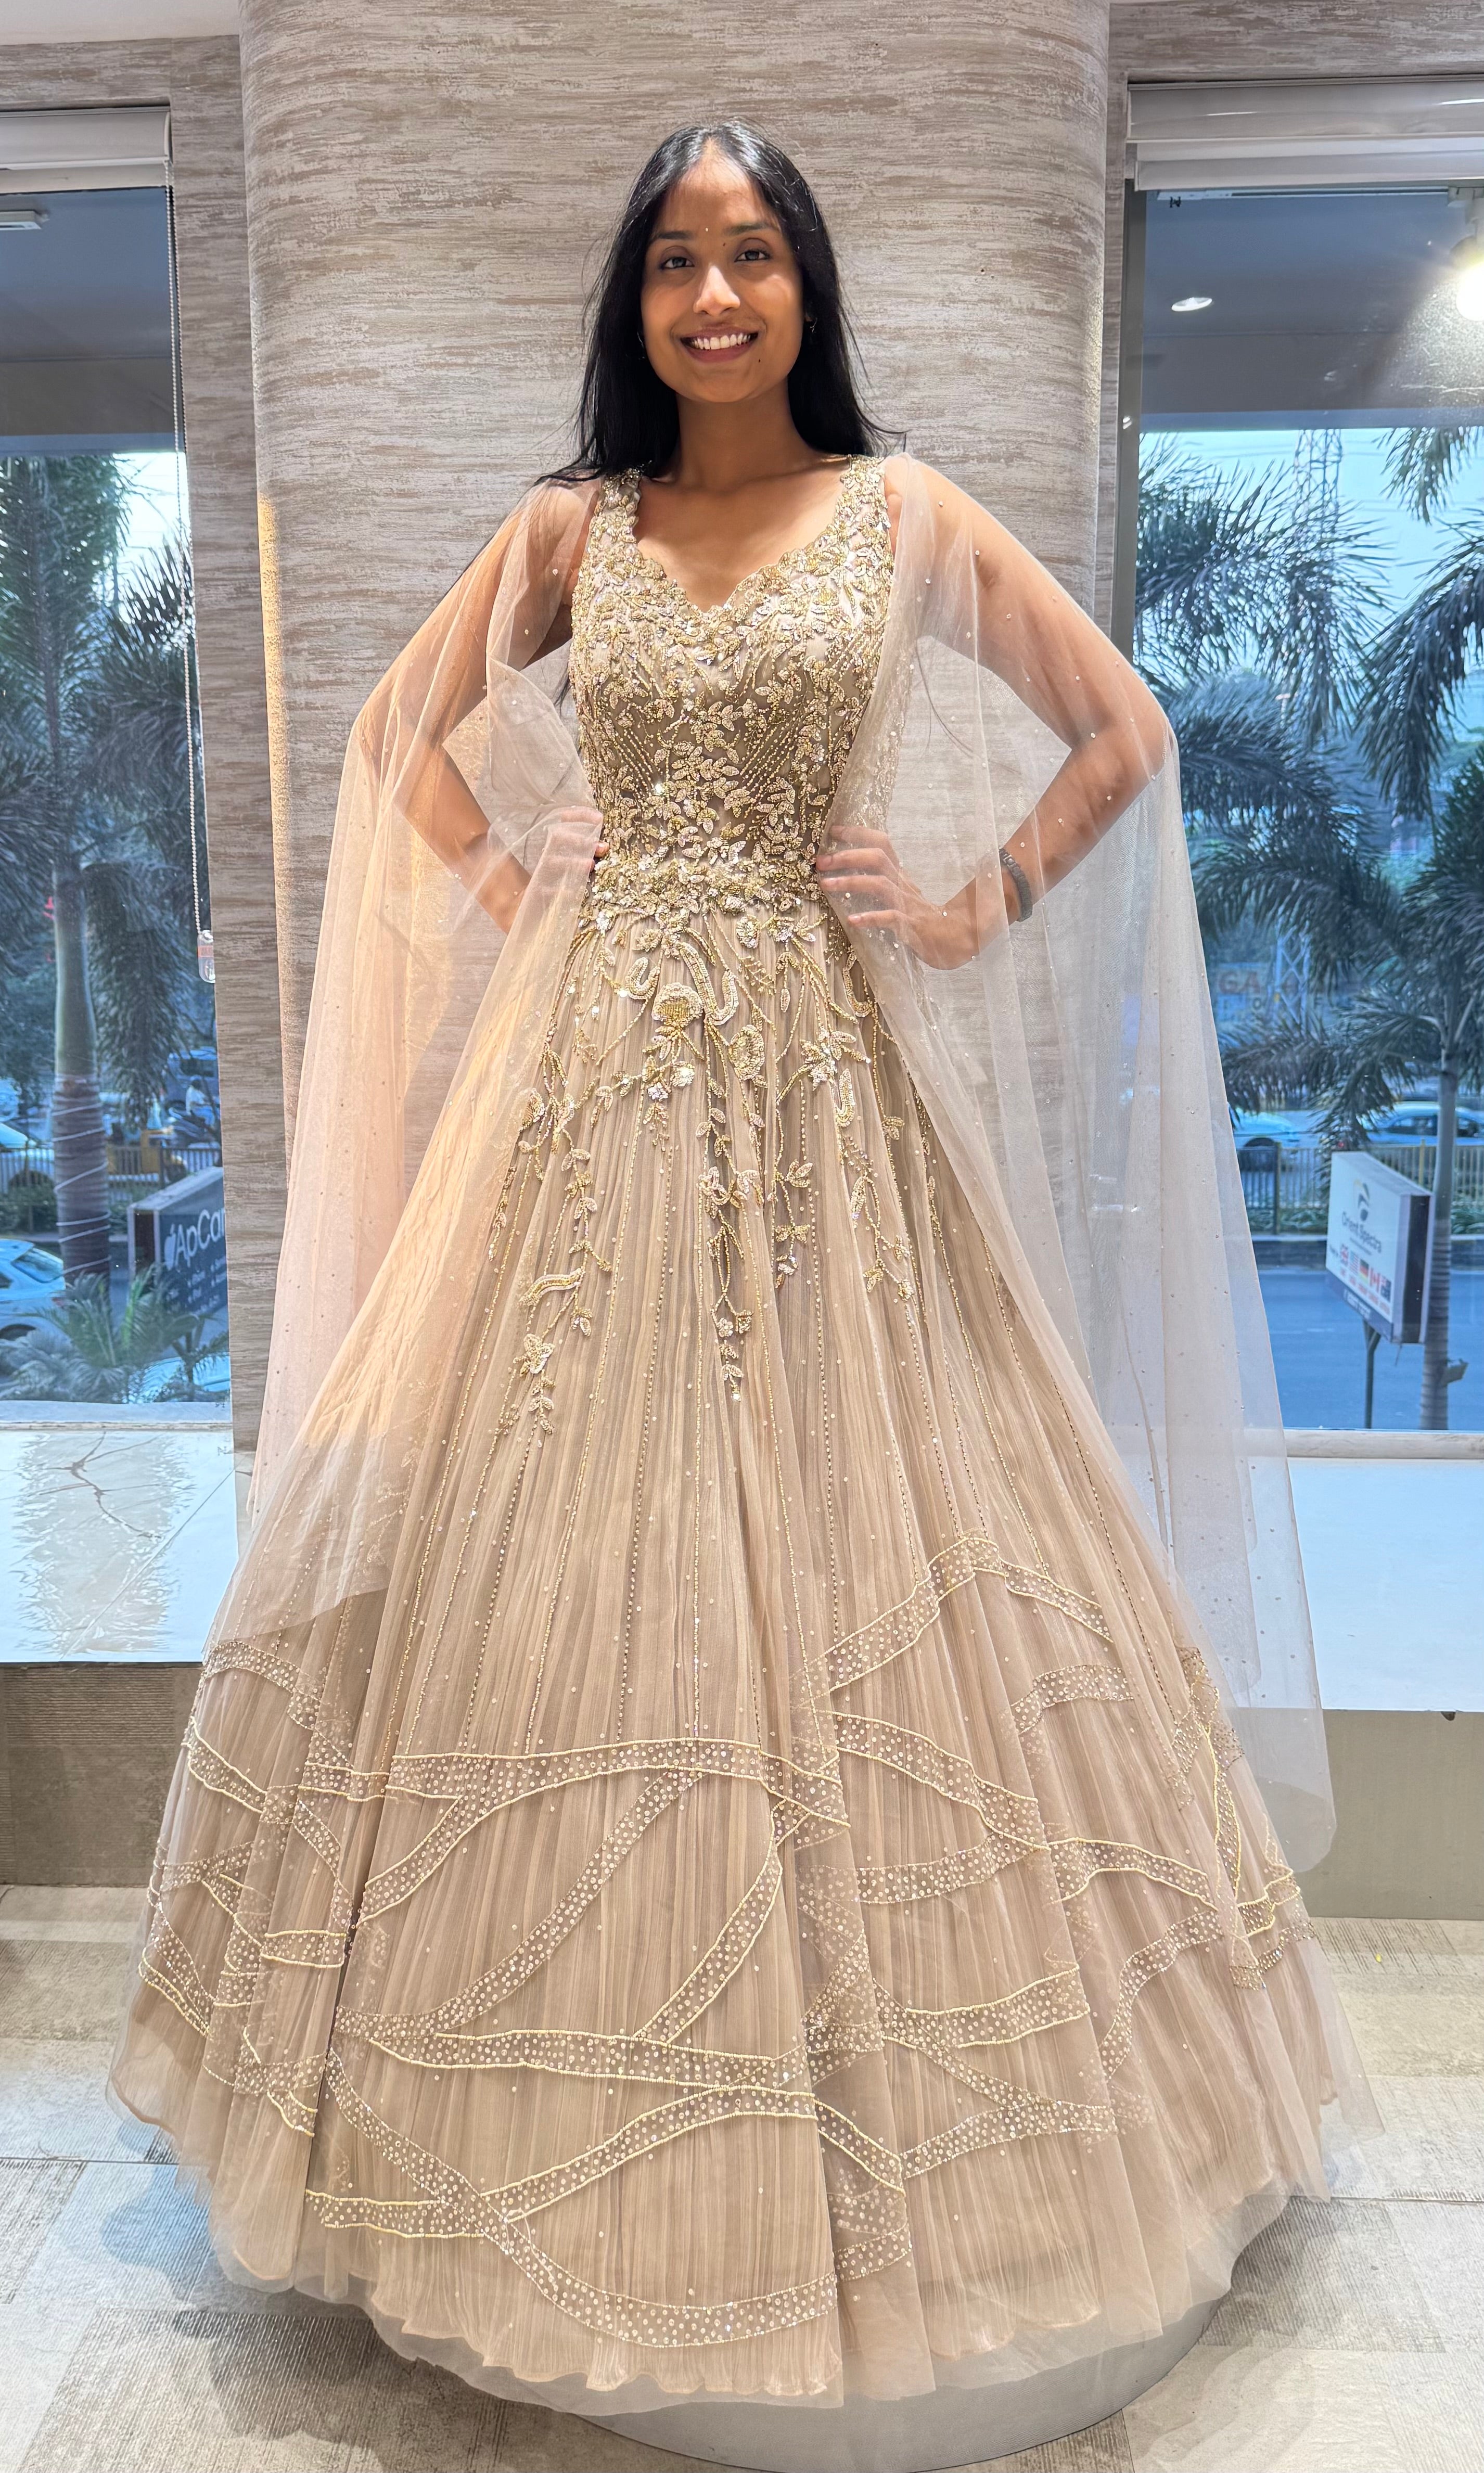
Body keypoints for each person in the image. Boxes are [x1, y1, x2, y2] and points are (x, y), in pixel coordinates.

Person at [109, 120, 1367, 2448]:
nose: (714, 294)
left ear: (805, 288)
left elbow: (1125, 730)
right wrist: (522, 879)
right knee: (565, 1532)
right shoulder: (570, 532)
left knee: (892, 1515)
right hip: (586, 1097)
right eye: (678, 259)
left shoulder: (902, 513)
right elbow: (396, 738)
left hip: (830, 1092)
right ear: (638, 296)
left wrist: (972, 901)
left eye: (753, 253)